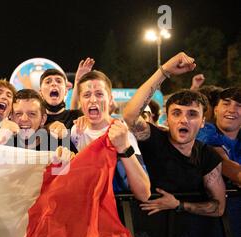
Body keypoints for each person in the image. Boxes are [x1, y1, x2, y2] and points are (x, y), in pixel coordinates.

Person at [122, 52, 226, 217]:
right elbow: (130, 115)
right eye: (176, 113)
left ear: (203, 122)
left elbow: (218, 207)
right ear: (167, 118)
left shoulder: (208, 156)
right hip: (143, 233)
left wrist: (178, 205)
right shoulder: (153, 138)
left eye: (192, 114)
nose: (184, 120)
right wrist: (164, 71)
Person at [70, 70, 151, 202]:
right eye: (87, 95)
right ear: (80, 101)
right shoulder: (76, 131)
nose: (93, 100)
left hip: (114, 212)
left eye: (99, 94)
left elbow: (144, 193)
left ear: (110, 99)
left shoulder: (122, 132)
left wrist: (124, 147)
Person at [197, 87, 241, 186]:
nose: (232, 110)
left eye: (239, 105)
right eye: (226, 104)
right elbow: (221, 162)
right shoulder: (205, 130)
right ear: (216, 110)